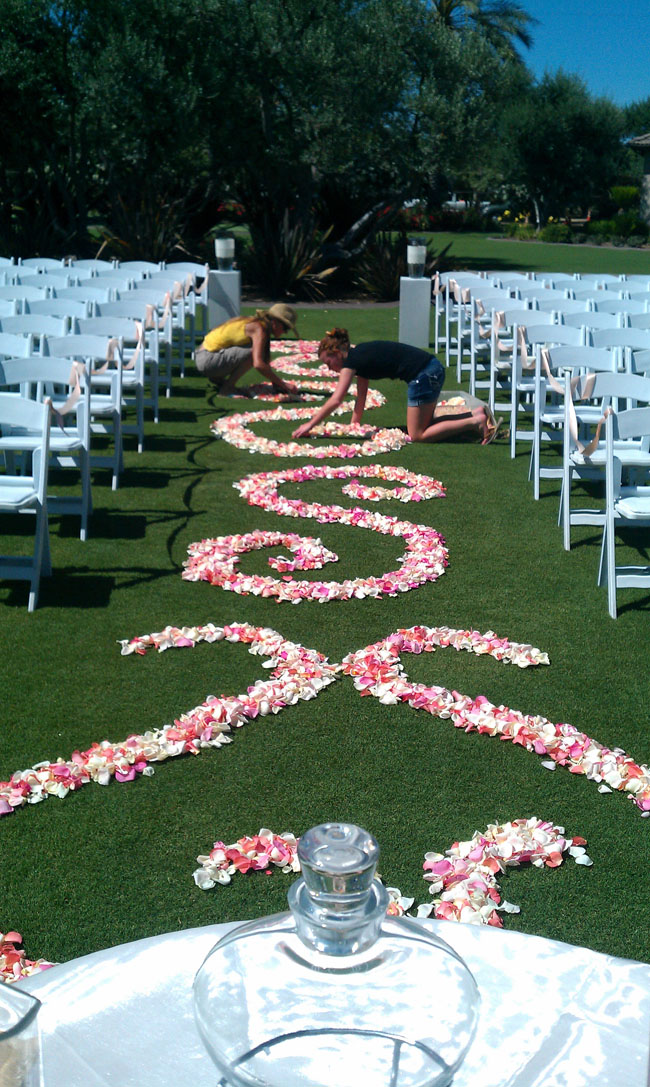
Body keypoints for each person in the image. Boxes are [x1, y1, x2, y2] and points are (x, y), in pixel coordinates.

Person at [292, 329, 499, 444]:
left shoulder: (350, 363)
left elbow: (336, 399)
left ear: (337, 353)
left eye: (329, 363)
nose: (330, 369)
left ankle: (476, 421)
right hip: (431, 368)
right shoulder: (359, 356)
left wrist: (309, 425)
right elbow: (361, 396)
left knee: (418, 434)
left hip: (424, 375)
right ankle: (476, 413)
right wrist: (354, 426)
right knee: (425, 424)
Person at [195, 304, 300, 395]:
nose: (285, 332)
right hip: (207, 360)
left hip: (203, 355)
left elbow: (266, 359)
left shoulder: (258, 324)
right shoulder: (259, 329)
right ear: (275, 322)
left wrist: (277, 384)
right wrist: (284, 384)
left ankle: (218, 379)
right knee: (252, 352)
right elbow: (258, 364)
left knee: (254, 350)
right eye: (285, 328)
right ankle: (227, 388)